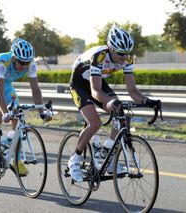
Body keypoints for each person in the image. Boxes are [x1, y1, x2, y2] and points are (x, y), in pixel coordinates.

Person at [68, 26, 161, 182]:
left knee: (120, 116)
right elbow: (95, 92)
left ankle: (108, 154)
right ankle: (74, 159)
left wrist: (149, 102)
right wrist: (110, 100)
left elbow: (133, 91)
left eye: (127, 52)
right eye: (120, 53)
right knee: (95, 123)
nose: (124, 57)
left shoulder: (127, 60)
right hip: (79, 84)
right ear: (110, 48)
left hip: (96, 81)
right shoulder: (99, 56)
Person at [0, 38, 52, 176]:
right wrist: (5, 112)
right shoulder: (2, 62)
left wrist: (41, 111)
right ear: (14, 58)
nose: (24, 66)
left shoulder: (30, 64)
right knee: (1, 109)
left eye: (26, 63)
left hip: (6, 84)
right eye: (21, 62)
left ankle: (17, 160)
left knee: (18, 116)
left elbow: (35, 90)